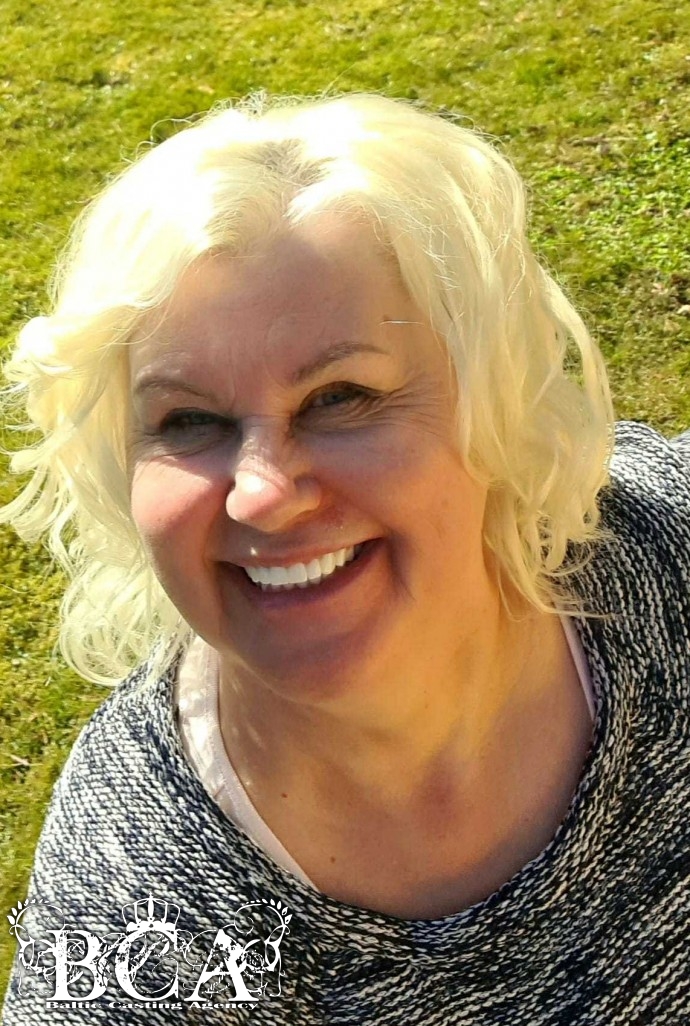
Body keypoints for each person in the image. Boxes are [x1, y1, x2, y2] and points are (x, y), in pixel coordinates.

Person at [2, 93, 688, 1024]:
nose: (261, 494)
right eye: (188, 420)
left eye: (339, 398)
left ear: (496, 405)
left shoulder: (666, 551)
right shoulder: (139, 906)